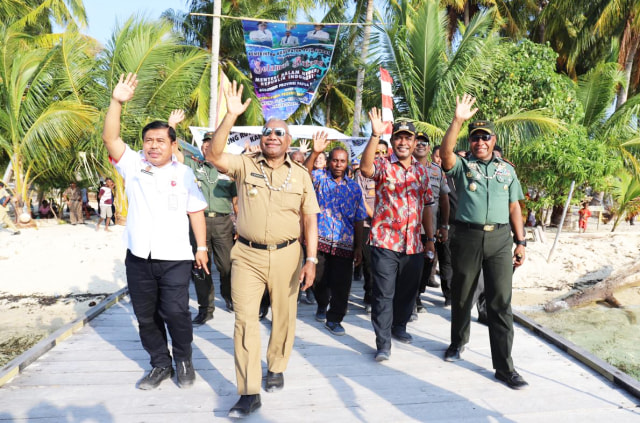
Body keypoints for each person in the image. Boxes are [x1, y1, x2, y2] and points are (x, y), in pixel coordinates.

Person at [206, 81, 320, 418]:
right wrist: (230, 115)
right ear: (259, 139)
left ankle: (276, 365)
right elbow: (213, 155)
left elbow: (310, 219)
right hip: (248, 256)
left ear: (288, 142)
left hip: (288, 254)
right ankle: (249, 391)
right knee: (244, 321)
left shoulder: (300, 176)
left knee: (284, 316)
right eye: (267, 131)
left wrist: (311, 259)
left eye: (279, 133)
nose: (272, 136)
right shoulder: (245, 166)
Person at [102, 73, 209, 390]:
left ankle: (184, 359)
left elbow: (195, 210)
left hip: (175, 257)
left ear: (173, 145)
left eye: (161, 140)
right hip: (138, 258)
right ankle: (160, 364)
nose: (153, 145)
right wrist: (116, 102)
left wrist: (201, 248)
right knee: (146, 317)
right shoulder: (133, 166)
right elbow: (111, 138)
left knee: (176, 313)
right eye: (149, 140)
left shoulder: (185, 172)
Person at [440, 94, 528, 390]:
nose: (479, 142)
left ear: (493, 140)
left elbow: (515, 207)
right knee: (462, 295)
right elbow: (446, 152)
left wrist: (522, 241)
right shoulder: (463, 167)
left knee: (501, 302)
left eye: (485, 137)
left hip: (501, 240)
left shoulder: (508, 170)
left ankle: (505, 367)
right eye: (475, 138)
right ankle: (457, 342)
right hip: (467, 235)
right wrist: (457, 120)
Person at [359, 111, 435, 362]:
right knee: (384, 293)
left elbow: (426, 206)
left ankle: (399, 325)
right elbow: (365, 167)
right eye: (399, 138)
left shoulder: (422, 173)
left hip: (413, 243)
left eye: (408, 138)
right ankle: (383, 343)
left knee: (408, 291)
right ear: (393, 142)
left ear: (415, 143)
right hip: (384, 241)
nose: (403, 142)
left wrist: (430, 238)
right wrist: (375, 134)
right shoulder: (383, 165)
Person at [173, 119, 238, 322]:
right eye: (205, 142)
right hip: (197, 222)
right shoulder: (193, 164)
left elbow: (236, 200)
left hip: (222, 222)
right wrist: (172, 126)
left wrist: (240, 223)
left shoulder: (228, 169)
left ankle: (228, 296)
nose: (207, 145)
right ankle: (205, 309)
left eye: (212, 142)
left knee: (227, 265)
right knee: (201, 266)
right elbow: (174, 153)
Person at [304, 134, 366, 336]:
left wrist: (358, 246)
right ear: (329, 162)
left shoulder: (355, 188)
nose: (338, 164)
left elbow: (359, 217)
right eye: (335, 160)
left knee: (342, 285)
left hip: (344, 243)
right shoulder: (320, 180)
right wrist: (315, 152)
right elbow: (304, 172)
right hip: (319, 241)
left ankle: (335, 318)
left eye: (342, 161)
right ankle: (322, 305)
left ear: (347, 163)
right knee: (319, 280)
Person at [412, 132, 450, 317]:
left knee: (427, 265)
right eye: (417, 142)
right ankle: (410, 300)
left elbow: (444, 200)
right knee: (408, 266)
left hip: (430, 229)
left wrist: (444, 225)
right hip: (408, 229)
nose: (420, 145)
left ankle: (417, 295)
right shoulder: (404, 168)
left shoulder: (437, 171)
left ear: (428, 147)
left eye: (424, 143)